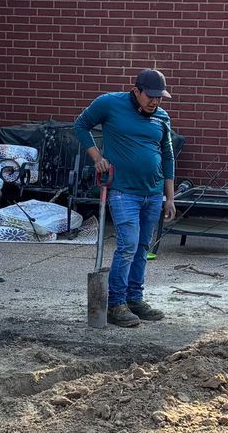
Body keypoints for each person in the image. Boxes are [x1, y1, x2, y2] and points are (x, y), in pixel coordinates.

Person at [76, 69, 178, 328]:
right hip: (123, 191)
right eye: (151, 97)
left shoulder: (162, 117)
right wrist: (97, 158)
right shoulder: (110, 103)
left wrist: (169, 197)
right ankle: (115, 304)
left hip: (153, 194)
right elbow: (81, 125)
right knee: (128, 245)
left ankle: (135, 299)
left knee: (143, 247)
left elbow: (168, 157)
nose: (155, 102)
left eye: (160, 97)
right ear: (136, 91)